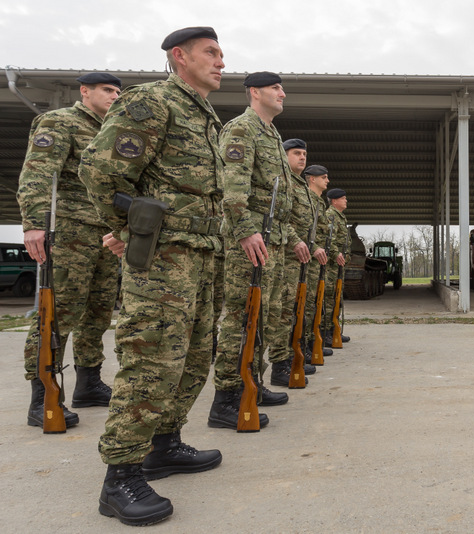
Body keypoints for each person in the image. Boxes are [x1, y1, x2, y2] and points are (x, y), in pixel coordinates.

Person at [79, 26, 226, 526]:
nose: (221, 62)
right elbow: (101, 171)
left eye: (222, 54)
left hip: (201, 255)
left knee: (194, 358)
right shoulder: (152, 102)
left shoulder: (203, 115)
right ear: (179, 56)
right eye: (211, 53)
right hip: (164, 259)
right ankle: (120, 476)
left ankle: (164, 445)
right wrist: (129, 231)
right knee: (151, 360)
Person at [17, 72, 122, 429]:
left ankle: (89, 383)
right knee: (58, 313)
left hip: (106, 235)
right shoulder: (60, 121)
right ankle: (42, 394)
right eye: (106, 90)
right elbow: (38, 171)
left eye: (117, 91)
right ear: (85, 91)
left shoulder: (113, 130)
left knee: (98, 312)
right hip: (70, 232)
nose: (114, 96)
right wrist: (34, 223)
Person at [208, 71, 295, 430]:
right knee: (241, 317)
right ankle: (227, 398)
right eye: (275, 88)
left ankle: (251, 383)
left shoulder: (271, 134)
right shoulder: (242, 129)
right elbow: (232, 186)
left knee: (263, 316)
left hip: (272, 238)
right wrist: (245, 230)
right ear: (254, 92)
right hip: (251, 239)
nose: (282, 93)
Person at [265, 142, 329, 378]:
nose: (302, 157)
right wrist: (297, 241)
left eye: (304, 154)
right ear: (284, 155)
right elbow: (282, 218)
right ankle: (280, 363)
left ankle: (293, 355)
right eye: (297, 153)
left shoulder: (301, 187)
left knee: (297, 309)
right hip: (286, 257)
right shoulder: (282, 181)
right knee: (283, 312)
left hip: (301, 259)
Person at [301, 164, 334, 357]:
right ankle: (303, 347)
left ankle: (311, 344)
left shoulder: (319, 203)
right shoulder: (307, 199)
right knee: (305, 306)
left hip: (318, 260)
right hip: (307, 259)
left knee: (315, 304)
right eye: (324, 177)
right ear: (312, 179)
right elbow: (302, 228)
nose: (327, 180)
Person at [323, 188, 351, 346]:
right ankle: (326, 333)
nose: (346, 201)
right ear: (334, 201)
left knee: (337, 298)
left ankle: (334, 330)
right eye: (343, 198)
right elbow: (328, 239)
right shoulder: (331, 215)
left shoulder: (340, 217)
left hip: (339, 265)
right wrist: (335, 254)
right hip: (332, 265)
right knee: (329, 299)